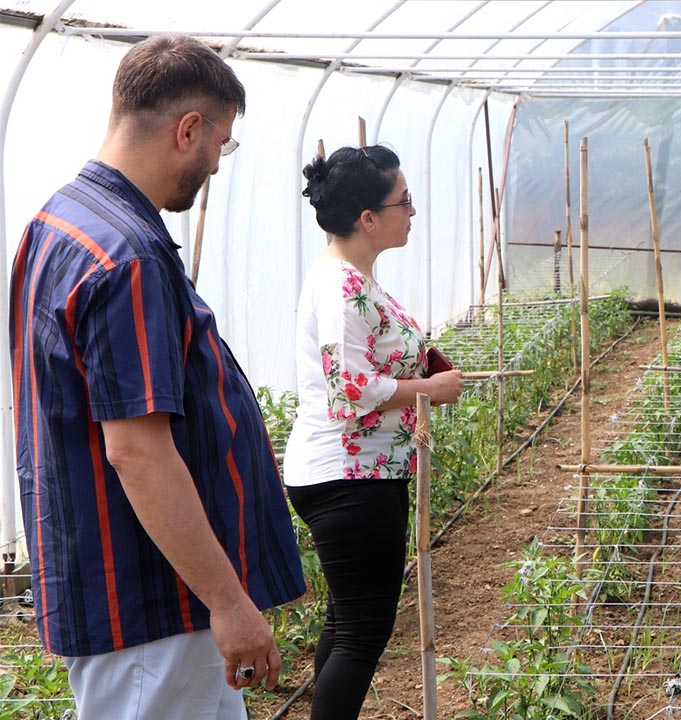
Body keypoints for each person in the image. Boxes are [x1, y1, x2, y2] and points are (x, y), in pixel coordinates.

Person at [8, 34, 306, 719]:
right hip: (150, 606)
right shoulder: (127, 256)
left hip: (119, 590)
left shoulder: (61, 221)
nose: (216, 166)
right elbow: (137, 449)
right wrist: (229, 603)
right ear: (187, 129)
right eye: (220, 145)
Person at [284, 145, 464, 719]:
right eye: (403, 201)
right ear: (368, 217)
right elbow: (350, 388)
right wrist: (428, 391)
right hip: (349, 478)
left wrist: (420, 363)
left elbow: (368, 361)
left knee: (348, 621)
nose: (412, 212)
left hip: (356, 474)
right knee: (363, 633)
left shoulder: (352, 279)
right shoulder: (343, 285)